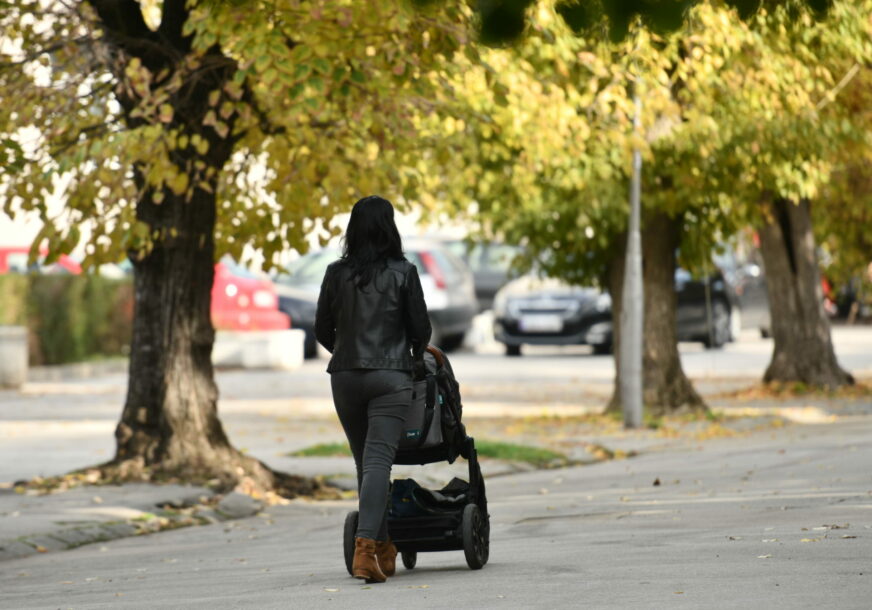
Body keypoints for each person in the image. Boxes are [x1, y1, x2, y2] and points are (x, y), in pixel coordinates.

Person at [314, 195, 431, 583]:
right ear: (389, 228)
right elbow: (421, 330)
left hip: (345, 378)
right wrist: (409, 357)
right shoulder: (403, 271)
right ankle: (366, 549)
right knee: (378, 462)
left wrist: (348, 354)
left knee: (366, 463)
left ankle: (383, 546)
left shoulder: (335, 273)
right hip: (391, 377)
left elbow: (322, 330)